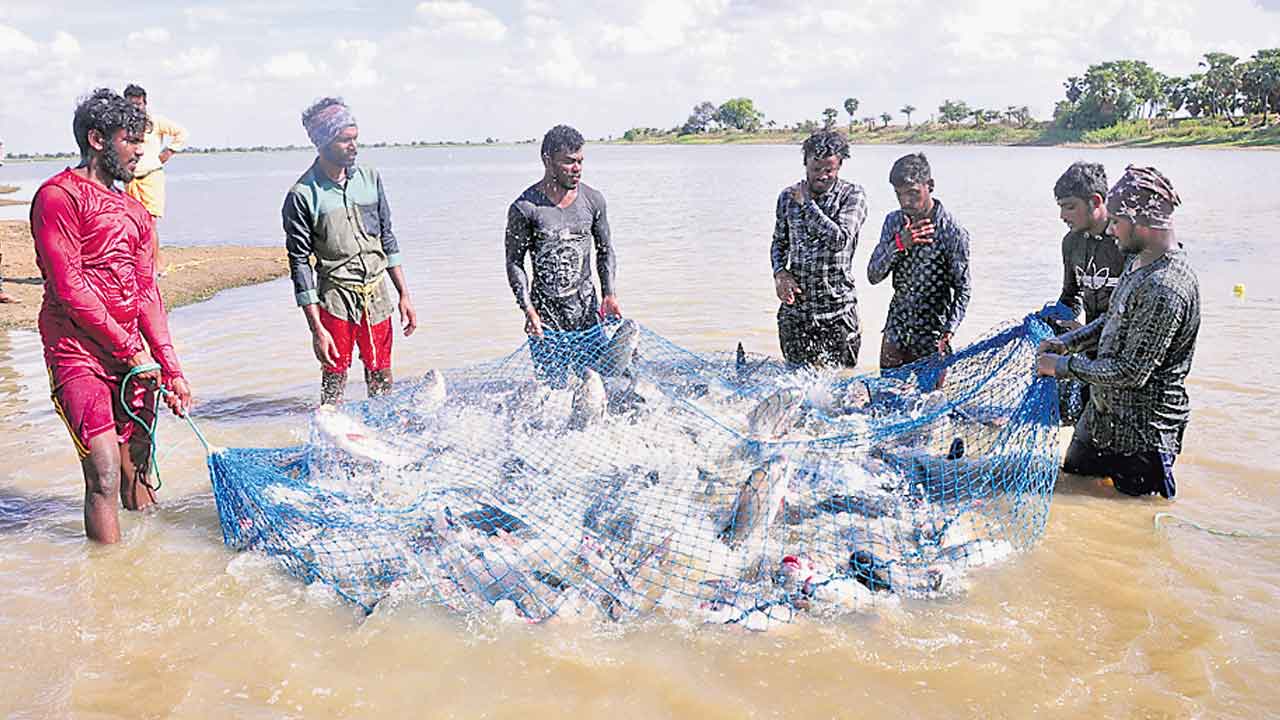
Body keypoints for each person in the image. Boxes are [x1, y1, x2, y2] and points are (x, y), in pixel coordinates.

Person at [30, 88, 193, 543]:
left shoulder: (136, 213)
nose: (142, 150)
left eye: (143, 140)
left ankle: (144, 574)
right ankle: (109, 584)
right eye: (132, 140)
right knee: (102, 471)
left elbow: (146, 293)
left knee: (137, 465)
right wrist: (130, 349)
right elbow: (68, 288)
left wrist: (171, 368)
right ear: (98, 139)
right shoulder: (58, 196)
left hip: (132, 356)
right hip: (76, 350)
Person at [1036, 165, 1199, 499]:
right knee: (1072, 494)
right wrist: (1066, 343)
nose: (1110, 231)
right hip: (1100, 421)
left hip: (1141, 439)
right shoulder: (1139, 261)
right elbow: (1111, 318)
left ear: (1142, 223)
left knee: (1136, 521)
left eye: (1116, 222)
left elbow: (1131, 372)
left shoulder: (1165, 286)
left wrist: (1061, 367)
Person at [283, 97, 417, 406]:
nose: (353, 147)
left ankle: (381, 432)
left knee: (381, 374)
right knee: (335, 378)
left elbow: (387, 238)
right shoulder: (302, 195)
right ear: (323, 142)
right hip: (335, 299)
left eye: (355, 138)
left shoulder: (370, 179)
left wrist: (404, 296)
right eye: (345, 140)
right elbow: (300, 265)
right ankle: (331, 440)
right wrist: (317, 329)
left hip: (377, 295)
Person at [505, 125, 619, 379]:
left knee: (598, 385)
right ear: (548, 160)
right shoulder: (525, 208)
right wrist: (528, 310)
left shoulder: (593, 200)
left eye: (580, 161)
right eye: (568, 162)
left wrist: (609, 294)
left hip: (588, 318)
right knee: (551, 395)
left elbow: (605, 250)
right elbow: (514, 262)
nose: (577, 168)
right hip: (546, 323)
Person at [770, 130, 868, 368]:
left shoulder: (852, 195)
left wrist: (808, 205)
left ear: (840, 166)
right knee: (797, 383)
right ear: (805, 164)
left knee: (841, 389)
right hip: (796, 314)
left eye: (829, 170)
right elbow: (779, 242)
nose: (822, 176)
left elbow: (840, 239)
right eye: (816, 169)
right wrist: (780, 273)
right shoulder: (787, 197)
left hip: (838, 312)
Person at [867, 153, 971, 372]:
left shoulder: (951, 231)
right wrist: (899, 244)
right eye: (899, 194)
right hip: (896, 330)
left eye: (913, 193)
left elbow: (963, 290)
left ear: (930, 185)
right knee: (884, 399)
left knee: (931, 404)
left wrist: (949, 332)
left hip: (932, 336)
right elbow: (873, 275)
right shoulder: (894, 221)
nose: (906, 202)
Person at [121, 84, 187, 268]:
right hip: (131, 179)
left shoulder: (155, 121)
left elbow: (181, 133)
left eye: (139, 104)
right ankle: (138, 264)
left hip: (152, 177)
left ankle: (156, 267)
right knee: (133, 224)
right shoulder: (122, 125)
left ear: (145, 103)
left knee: (150, 223)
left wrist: (168, 152)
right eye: (131, 104)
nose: (135, 108)